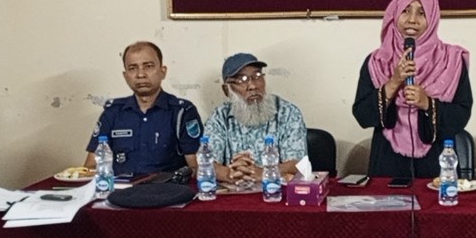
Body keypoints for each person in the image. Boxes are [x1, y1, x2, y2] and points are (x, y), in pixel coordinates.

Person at [352, 0, 472, 178]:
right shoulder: (377, 62)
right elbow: (362, 115)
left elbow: (462, 114)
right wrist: (393, 83)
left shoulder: (451, 61)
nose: (412, 20)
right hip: (387, 164)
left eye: (422, 13)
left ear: (433, 18)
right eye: (406, 11)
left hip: (437, 164)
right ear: (395, 13)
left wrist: (427, 103)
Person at [84, 41, 203, 176]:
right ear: (125, 76)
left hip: (167, 187)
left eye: (148, 66)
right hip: (121, 187)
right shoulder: (113, 113)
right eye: (132, 68)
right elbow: (91, 166)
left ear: (163, 71)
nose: (141, 74)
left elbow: (196, 167)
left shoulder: (182, 111)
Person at [204, 52, 308, 185]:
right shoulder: (219, 117)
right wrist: (230, 174)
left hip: (276, 191)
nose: (253, 86)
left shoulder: (288, 112)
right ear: (226, 90)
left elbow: (297, 164)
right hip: (235, 190)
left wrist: (265, 173)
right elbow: (206, 163)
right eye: (241, 80)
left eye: (257, 76)